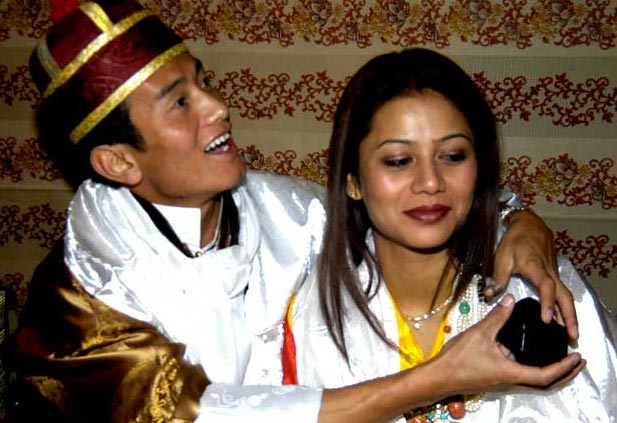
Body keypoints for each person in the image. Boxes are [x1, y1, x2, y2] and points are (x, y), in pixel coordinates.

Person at [9, 1, 583, 422]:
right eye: (181, 103)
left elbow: (410, 202)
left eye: (203, 82)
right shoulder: (82, 295)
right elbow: (193, 414)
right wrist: (440, 377)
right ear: (118, 161)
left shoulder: (280, 214)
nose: (218, 106)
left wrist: (519, 225)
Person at [281, 48, 617, 422]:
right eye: (398, 161)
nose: (430, 182)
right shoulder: (306, 322)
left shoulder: (539, 293)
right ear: (352, 181)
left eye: (453, 156)